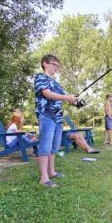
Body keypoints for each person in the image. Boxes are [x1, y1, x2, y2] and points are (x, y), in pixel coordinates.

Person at [34, 54, 77, 187]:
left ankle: (51, 171)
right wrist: (66, 97)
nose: (56, 68)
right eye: (54, 64)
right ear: (45, 64)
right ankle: (44, 178)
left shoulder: (57, 83)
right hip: (46, 115)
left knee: (54, 146)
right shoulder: (40, 77)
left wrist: (74, 101)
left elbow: (62, 98)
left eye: (58, 66)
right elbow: (47, 93)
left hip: (58, 118)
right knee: (45, 146)